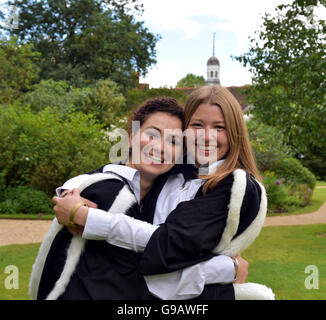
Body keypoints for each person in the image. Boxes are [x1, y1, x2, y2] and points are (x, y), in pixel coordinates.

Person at [47, 85, 274, 300]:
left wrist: (84, 216)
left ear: (234, 131)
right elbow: (124, 169)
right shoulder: (173, 172)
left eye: (219, 127)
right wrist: (71, 189)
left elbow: (166, 248)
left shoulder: (235, 186)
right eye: (196, 125)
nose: (207, 136)